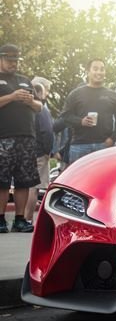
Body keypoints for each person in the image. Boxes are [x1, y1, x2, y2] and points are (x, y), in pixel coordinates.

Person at [0, 44, 42, 233]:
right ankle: (0, 219)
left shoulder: (25, 80)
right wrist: (12, 97)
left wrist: (30, 101)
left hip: (26, 136)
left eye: (15, 60)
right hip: (3, 136)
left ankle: (20, 219)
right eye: (9, 60)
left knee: (24, 180)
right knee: (2, 180)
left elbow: (39, 106)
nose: (13, 64)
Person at [61, 58, 116, 164]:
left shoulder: (113, 95)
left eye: (102, 69)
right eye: (95, 69)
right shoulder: (75, 94)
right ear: (88, 71)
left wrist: (112, 138)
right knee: (78, 180)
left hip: (104, 145)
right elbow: (65, 116)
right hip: (79, 146)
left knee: (103, 179)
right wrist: (81, 121)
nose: (99, 72)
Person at [26, 77, 54, 223]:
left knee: (25, 185)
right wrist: (48, 151)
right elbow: (48, 131)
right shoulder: (42, 109)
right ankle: (27, 218)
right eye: (47, 90)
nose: (48, 94)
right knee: (34, 187)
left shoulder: (26, 107)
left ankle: (22, 217)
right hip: (39, 151)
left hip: (26, 149)